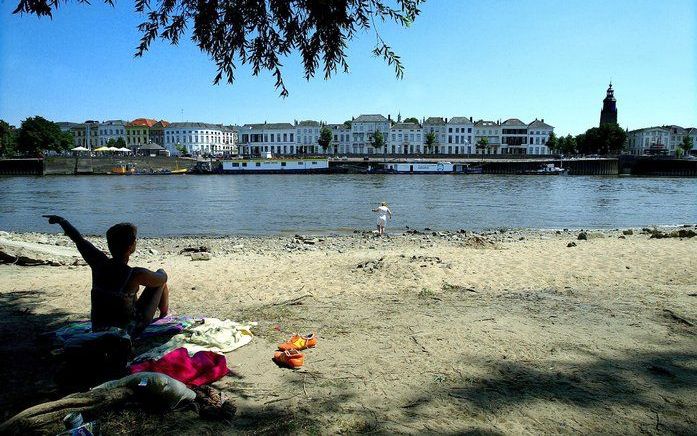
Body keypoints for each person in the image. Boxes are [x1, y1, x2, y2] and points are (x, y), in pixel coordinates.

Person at [43, 215, 169, 336]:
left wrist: (62, 221)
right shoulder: (136, 274)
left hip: (98, 327)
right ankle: (164, 316)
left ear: (109, 245)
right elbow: (162, 279)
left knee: (132, 294)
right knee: (161, 277)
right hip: (127, 331)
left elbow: (78, 240)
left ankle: (162, 314)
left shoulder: (98, 263)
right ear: (131, 246)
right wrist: (160, 273)